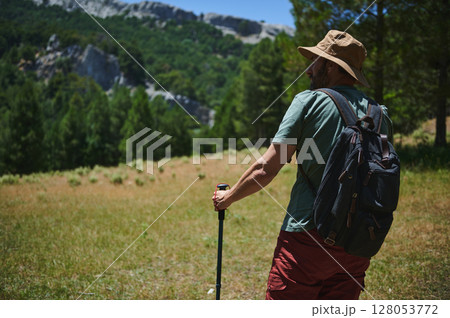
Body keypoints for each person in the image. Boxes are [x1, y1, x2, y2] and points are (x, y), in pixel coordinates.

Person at [212, 30, 393, 300]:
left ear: (331, 66)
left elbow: (266, 168)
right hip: (358, 239)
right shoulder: (380, 114)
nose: (309, 70)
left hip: (308, 234)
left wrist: (228, 197)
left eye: (315, 61)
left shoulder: (308, 101)